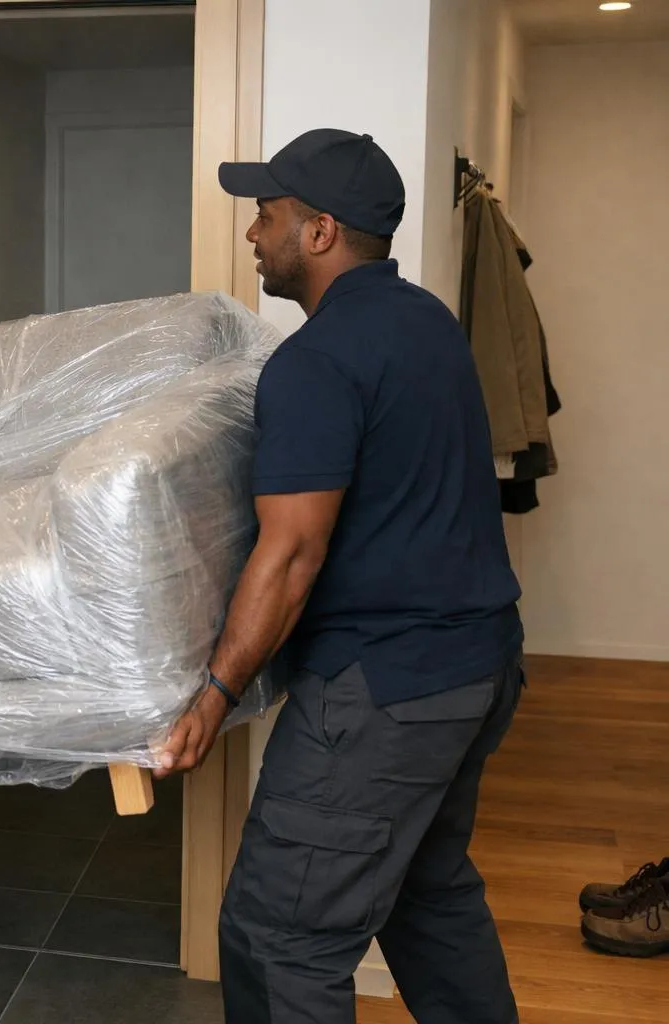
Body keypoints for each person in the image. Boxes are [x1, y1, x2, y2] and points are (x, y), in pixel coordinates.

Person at [152, 128, 525, 1024]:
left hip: (385, 695)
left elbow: (291, 552)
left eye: (267, 215)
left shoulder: (316, 363)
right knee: (429, 899)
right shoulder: (426, 322)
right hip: (477, 665)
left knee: (278, 936)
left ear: (320, 232)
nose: (252, 233)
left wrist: (214, 691)